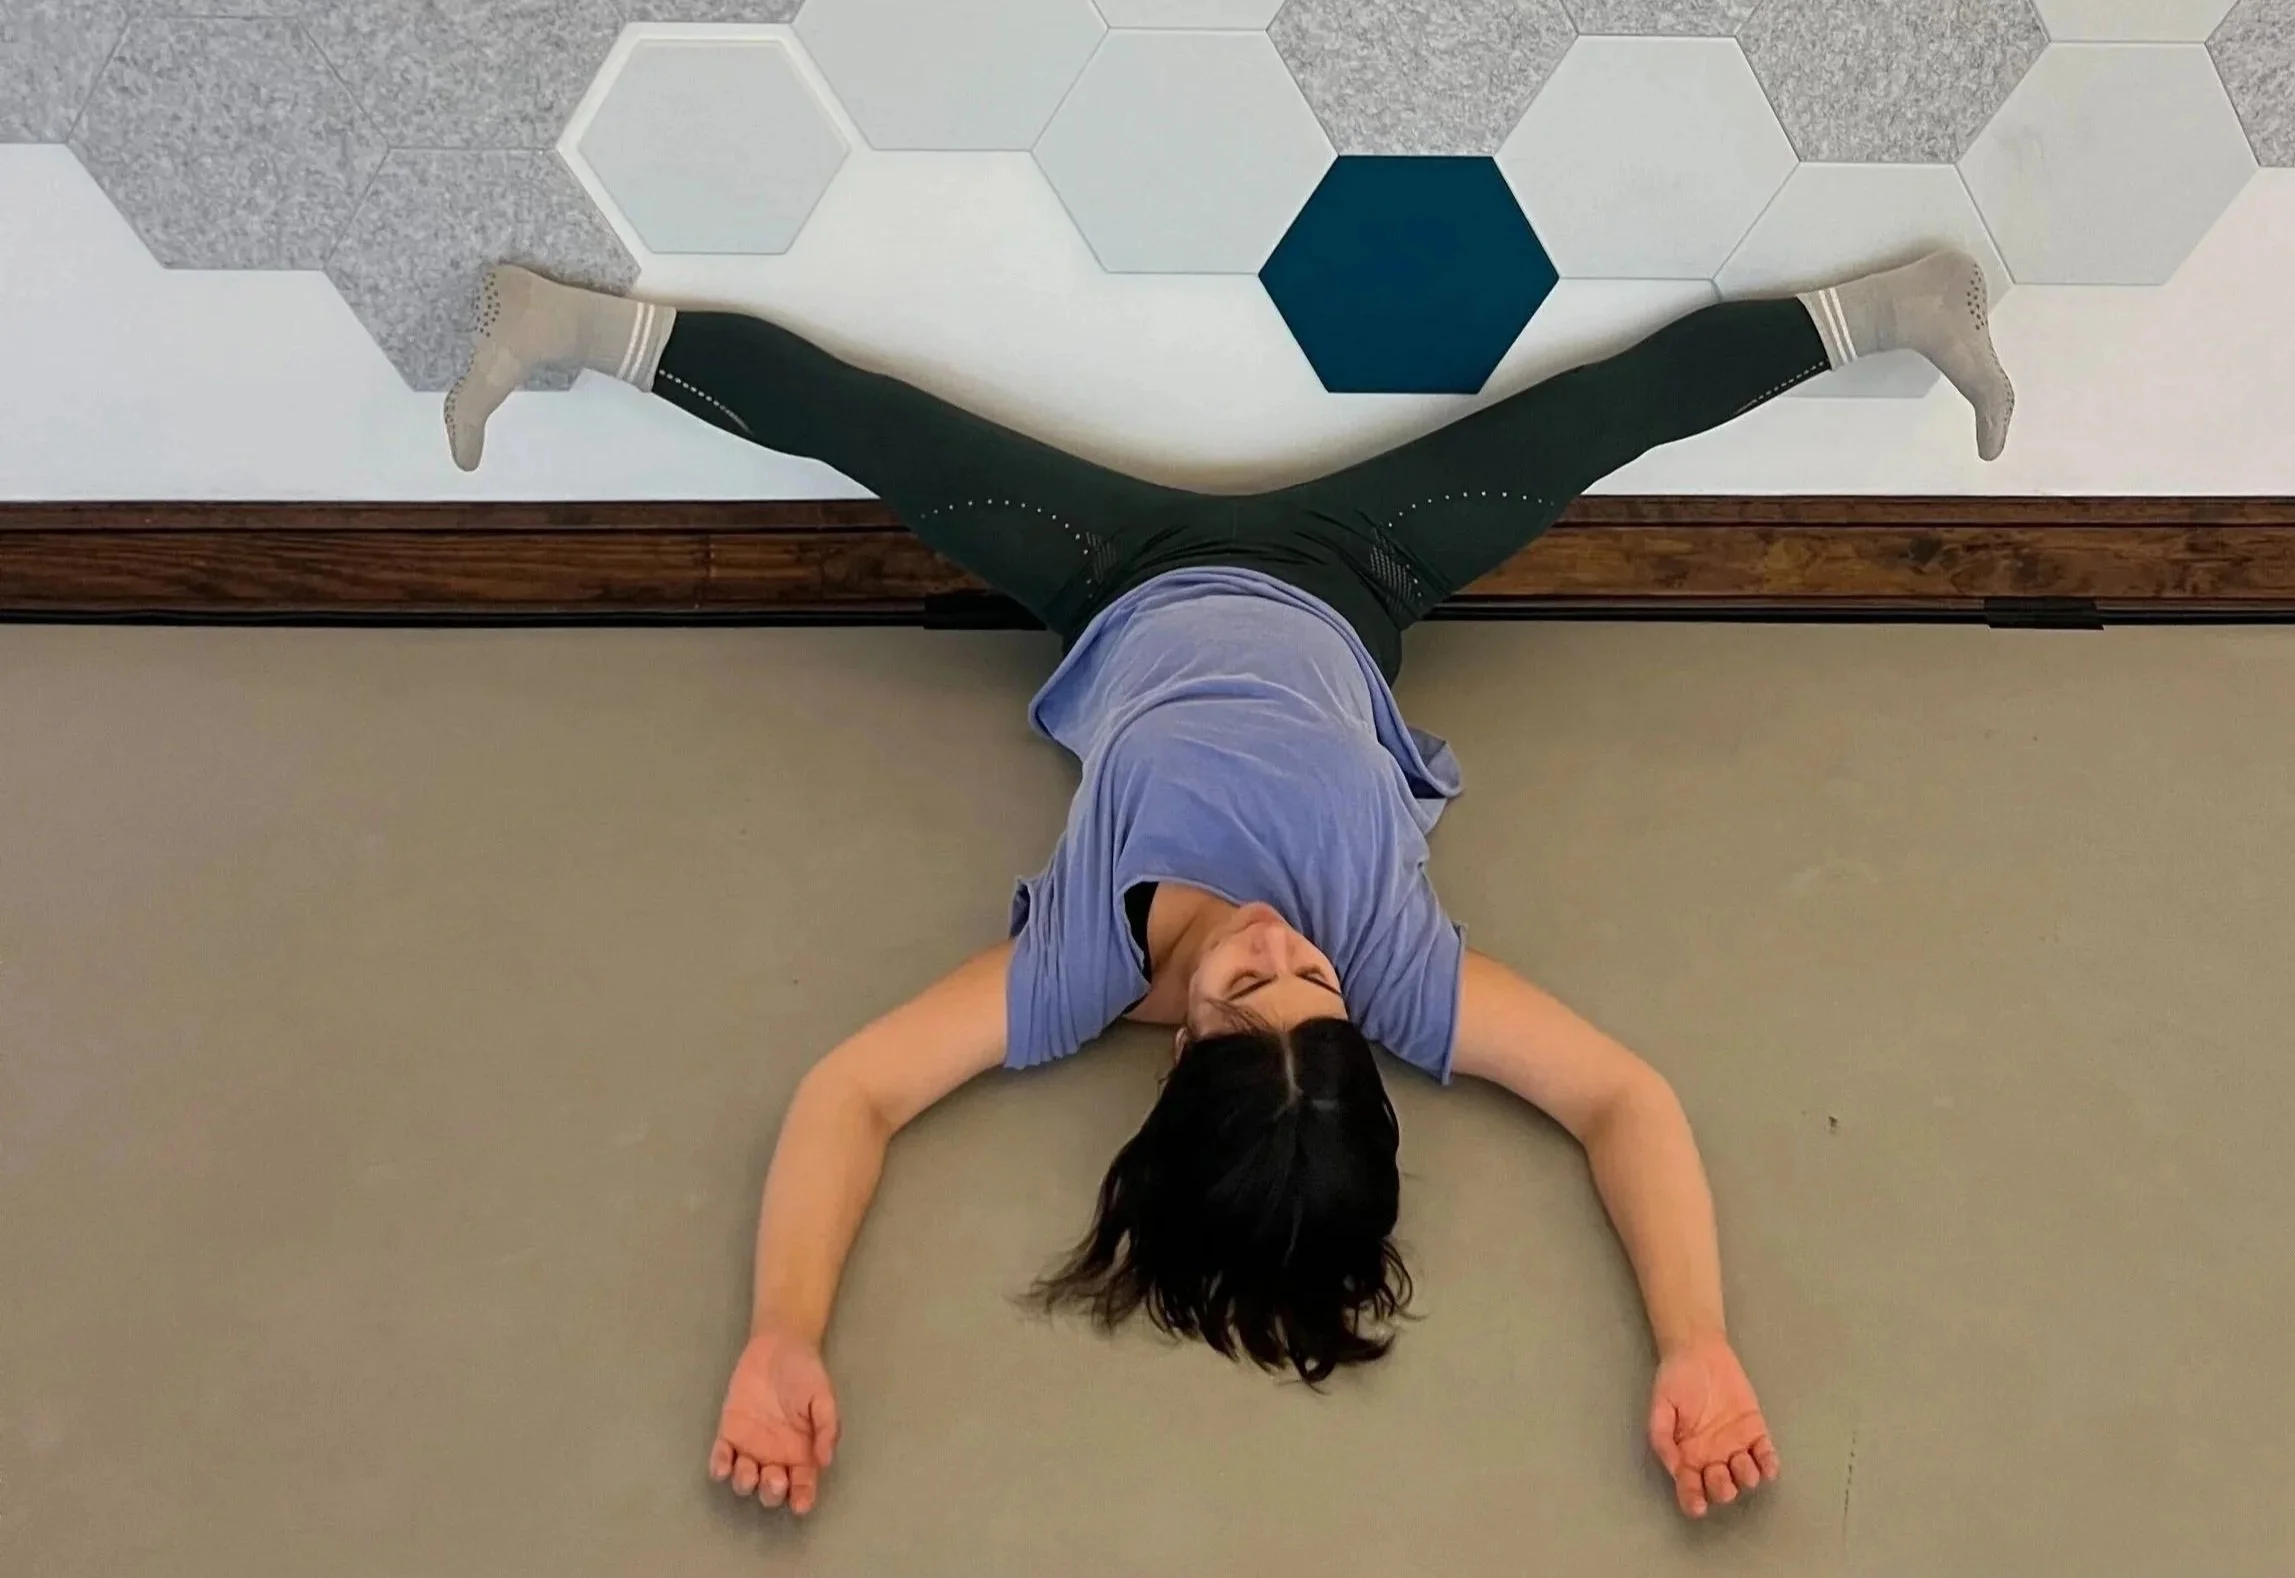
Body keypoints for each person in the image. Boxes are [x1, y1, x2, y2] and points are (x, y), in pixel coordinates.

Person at [445, 250, 2013, 1524]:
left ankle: (567, 325)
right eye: (1307, 982)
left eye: (1241, 989)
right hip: (1358, 569)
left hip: (1113, 574)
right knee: (1602, 416)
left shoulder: (1080, 968)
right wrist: (1697, 1339)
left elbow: (853, 1093)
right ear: (1354, 1021)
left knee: (871, 427)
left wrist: (782, 1330)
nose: (1273, 944)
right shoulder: (1393, 963)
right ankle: (1896, 304)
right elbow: (1624, 1098)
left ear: (1178, 1048)